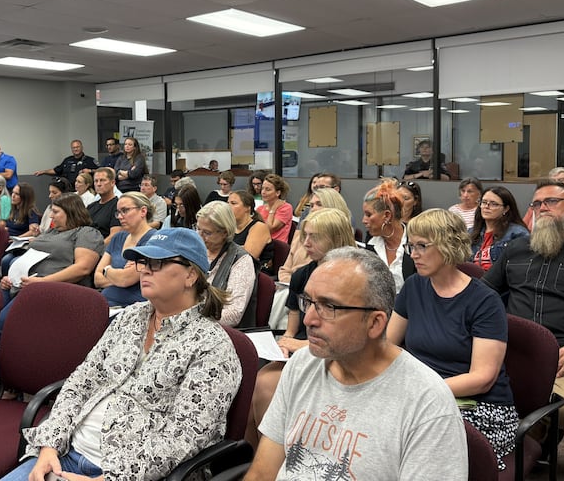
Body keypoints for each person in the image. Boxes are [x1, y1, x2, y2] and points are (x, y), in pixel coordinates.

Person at [0, 227, 241, 481]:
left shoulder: (212, 346)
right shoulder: (129, 317)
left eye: (157, 263)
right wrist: (49, 447)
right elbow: (81, 381)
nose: (145, 269)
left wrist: (110, 480)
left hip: (131, 475)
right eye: (144, 262)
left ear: (191, 275)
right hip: (66, 454)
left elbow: (185, 436)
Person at [244, 247, 466, 480]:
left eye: (329, 307)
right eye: (309, 301)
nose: (309, 319)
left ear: (375, 323)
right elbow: (262, 473)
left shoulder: (427, 404)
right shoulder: (302, 364)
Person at [388, 208, 518, 470]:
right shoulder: (414, 286)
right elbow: (387, 347)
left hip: (481, 408)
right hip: (424, 397)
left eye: (422, 246)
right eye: (411, 246)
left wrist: (418, 393)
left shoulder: (484, 301)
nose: (413, 255)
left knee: (411, 446)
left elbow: (482, 379)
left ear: (449, 244)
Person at [483, 179, 564, 431]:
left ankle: (530, 436)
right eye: (537, 204)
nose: (543, 208)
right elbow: (484, 291)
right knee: (467, 385)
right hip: (510, 346)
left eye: (551, 201)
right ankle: (522, 439)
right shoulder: (517, 249)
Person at [245, 209, 356, 448]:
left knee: (266, 384)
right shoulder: (301, 276)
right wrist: (284, 345)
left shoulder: (356, 278)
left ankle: (277, 451)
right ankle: (258, 455)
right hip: (305, 348)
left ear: (335, 238)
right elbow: (292, 329)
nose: (306, 242)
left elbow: (351, 337)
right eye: (305, 235)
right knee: (256, 381)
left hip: (341, 354)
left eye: (314, 237)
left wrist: (299, 345)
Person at [0, 193, 104, 352]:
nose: (51, 215)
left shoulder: (85, 233)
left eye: (56, 211)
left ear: (71, 211)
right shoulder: (51, 232)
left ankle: (5, 373)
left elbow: (83, 268)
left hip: (51, 289)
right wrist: (10, 277)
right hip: (24, 285)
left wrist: (42, 283)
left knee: (2, 328)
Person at [196, 201, 256, 327]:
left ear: (224, 232)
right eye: (198, 229)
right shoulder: (195, 250)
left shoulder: (241, 261)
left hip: (216, 331)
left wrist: (196, 322)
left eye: (207, 233)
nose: (199, 236)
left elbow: (234, 314)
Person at [94, 192, 156, 307]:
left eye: (125, 210)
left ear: (143, 211)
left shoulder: (153, 240)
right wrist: (119, 274)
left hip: (132, 306)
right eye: (118, 212)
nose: (120, 217)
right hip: (105, 303)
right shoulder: (118, 237)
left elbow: (125, 279)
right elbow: (97, 279)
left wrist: (107, 271)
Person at [362, 178, 415, 292]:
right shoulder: (370, 243)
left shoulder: (416, 242)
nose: (364, 220)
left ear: (387, 216)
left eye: (368, 214)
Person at [469, 186, 529, 270]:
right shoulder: (471, 232)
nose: (487, 206)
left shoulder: (517, 233)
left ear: (506, 209)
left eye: (494, 204)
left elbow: (519, 268)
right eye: (484, 202)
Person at [227, 190, 273, 272]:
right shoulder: (230, 226)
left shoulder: (259, 227)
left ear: (247, 208)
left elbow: (246, 257)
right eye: (228, 203)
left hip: (256, 273)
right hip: (232, 269)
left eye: (233, 203)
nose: (228, 207)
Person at [87, 168, 121, 245]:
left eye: (102, 180)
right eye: (96, 181)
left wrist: (95, 249)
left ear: (112, 183)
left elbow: (114, 236)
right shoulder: (90, 207)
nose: (98, 184)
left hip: (103, 249)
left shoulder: (118, 206)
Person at [257, 174, 293, 243]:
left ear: (277, 193)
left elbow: (270, 229)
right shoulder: (260, 208)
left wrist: (273, 209)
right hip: (261, 243)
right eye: (262, 188)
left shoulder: (286, 208)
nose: (263, 192)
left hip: (276, 247)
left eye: (268, 189)